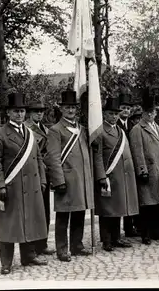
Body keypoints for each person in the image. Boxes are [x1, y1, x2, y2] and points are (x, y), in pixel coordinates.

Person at [0, 93, 48, 275]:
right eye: (16, 111)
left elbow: (38, 159)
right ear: (8, 113)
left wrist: (43, 180)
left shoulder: (30, 134)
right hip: (10, 187)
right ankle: (6, 262)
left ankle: (28, 255)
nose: (20, 115)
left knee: (29, 220)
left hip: (32, 186)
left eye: (22, 111)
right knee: (8, 225)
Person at [45, 90, 104, 262]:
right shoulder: (55, 130)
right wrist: (58, 181)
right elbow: (53, 158)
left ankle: (76, 245)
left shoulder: (83, 129)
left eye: (73, 107)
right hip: (66, 179)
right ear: (61, 109)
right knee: (63, 216)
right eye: (67, 107)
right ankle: (62, 249)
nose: (71, 111)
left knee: (79, 212)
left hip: (82, 179)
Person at [129, 91, 159, 245]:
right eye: (148, 112)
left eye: (153, 112)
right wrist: (142, 170)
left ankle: (158, 232)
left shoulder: (158, 127)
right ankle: (146, 234)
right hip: (149, 171)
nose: (151, 114)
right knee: (147, 204)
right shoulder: (137, 129)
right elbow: (137, 152)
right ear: (143, 113)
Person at [92, 97, 139, 252]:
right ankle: (106, 240)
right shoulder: (99, 132)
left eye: (116, 113)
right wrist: (101, 177)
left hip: (122, 176)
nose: (114, 116)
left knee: (117, 207)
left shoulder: (120, 130)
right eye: (111, 113)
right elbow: (97, 157)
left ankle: (116, 238)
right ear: (104, 114)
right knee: (107, 210)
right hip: (109, 176)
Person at [25, 101, 56, 256]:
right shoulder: (26, 128)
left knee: (44, 210)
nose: (39, 114)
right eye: (36, 111)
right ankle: (32, 246)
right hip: (32, 173)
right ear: (30, 113)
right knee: (33, 211)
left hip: (45, 173)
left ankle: (42, 243)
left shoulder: (45, 128)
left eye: (41, 111)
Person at [117, 94, 140, 238]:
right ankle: (112, 234)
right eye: (123, 108)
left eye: (128, 108)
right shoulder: (115, 125)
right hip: (117, 166)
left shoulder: (133, 126)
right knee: (118, 200)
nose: (126, 111)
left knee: (130, 197)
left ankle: (129, 227)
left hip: (130, 166)